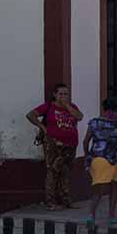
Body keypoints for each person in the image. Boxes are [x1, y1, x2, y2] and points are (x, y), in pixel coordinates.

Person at [27, 83, 83, 211]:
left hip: (71, 144)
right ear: (55, 95)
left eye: (66, 94)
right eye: (61, 94)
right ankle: (51, 202)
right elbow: (30, 115)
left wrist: (67, 106)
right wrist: (43, 128)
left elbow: (80, 117)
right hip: (54, 144)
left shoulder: (72, 107)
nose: (63, 96)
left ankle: (66, 200)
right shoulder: (48, 107)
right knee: (52, 172)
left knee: (66, 172)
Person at [82, 97, 117, 227]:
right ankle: (111, 214)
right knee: (114, 187)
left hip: (96, 159)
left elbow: (86, 141)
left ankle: (91, 215)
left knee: (97, 190)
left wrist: (87, 156)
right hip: (114, 159)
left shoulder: (94, 123)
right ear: (116, 111)